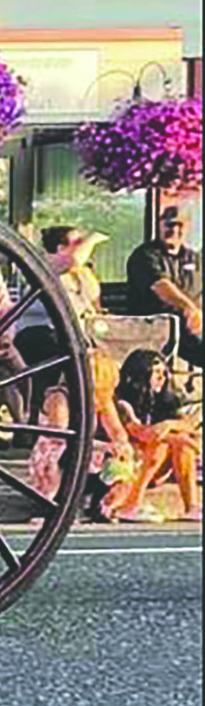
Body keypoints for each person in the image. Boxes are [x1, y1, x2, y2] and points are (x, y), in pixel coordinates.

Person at [102, 346, 199, 522]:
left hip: (152, 466)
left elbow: (188, 424)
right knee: (163, 444)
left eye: (164, 372)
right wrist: (182, 439)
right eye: (156, 373)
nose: (162, 378)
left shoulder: (165, 400)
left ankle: (192, 507)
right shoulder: (123, 403)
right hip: (125, 465)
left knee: (181, 448)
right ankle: (130, 506)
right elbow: (142, 434)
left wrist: (169, 425)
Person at [125, 209, 198, 366]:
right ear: (159, 226)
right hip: (158, 330)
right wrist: (190, 309)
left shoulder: (195, 258)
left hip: (193, 327)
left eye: (179, 225)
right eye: (169, 225)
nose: (174, 230)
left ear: (188, 228)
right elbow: (162, 287)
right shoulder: (145, 256)